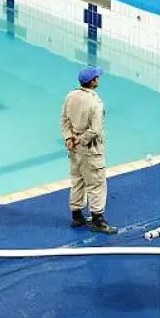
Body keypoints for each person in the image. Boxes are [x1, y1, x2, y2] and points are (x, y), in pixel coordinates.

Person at [60, 66, 117, 234]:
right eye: (97, 77)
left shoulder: (70, 96)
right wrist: (81, 140)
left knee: (77, 180)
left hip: (74, 149)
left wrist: (69, 138)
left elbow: (64, 119)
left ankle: (77, 216)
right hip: (90, 150)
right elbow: (95, 130)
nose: (99, 79)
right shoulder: (95, 103)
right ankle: (98, 220)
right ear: (93, 81)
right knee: (96, 183)